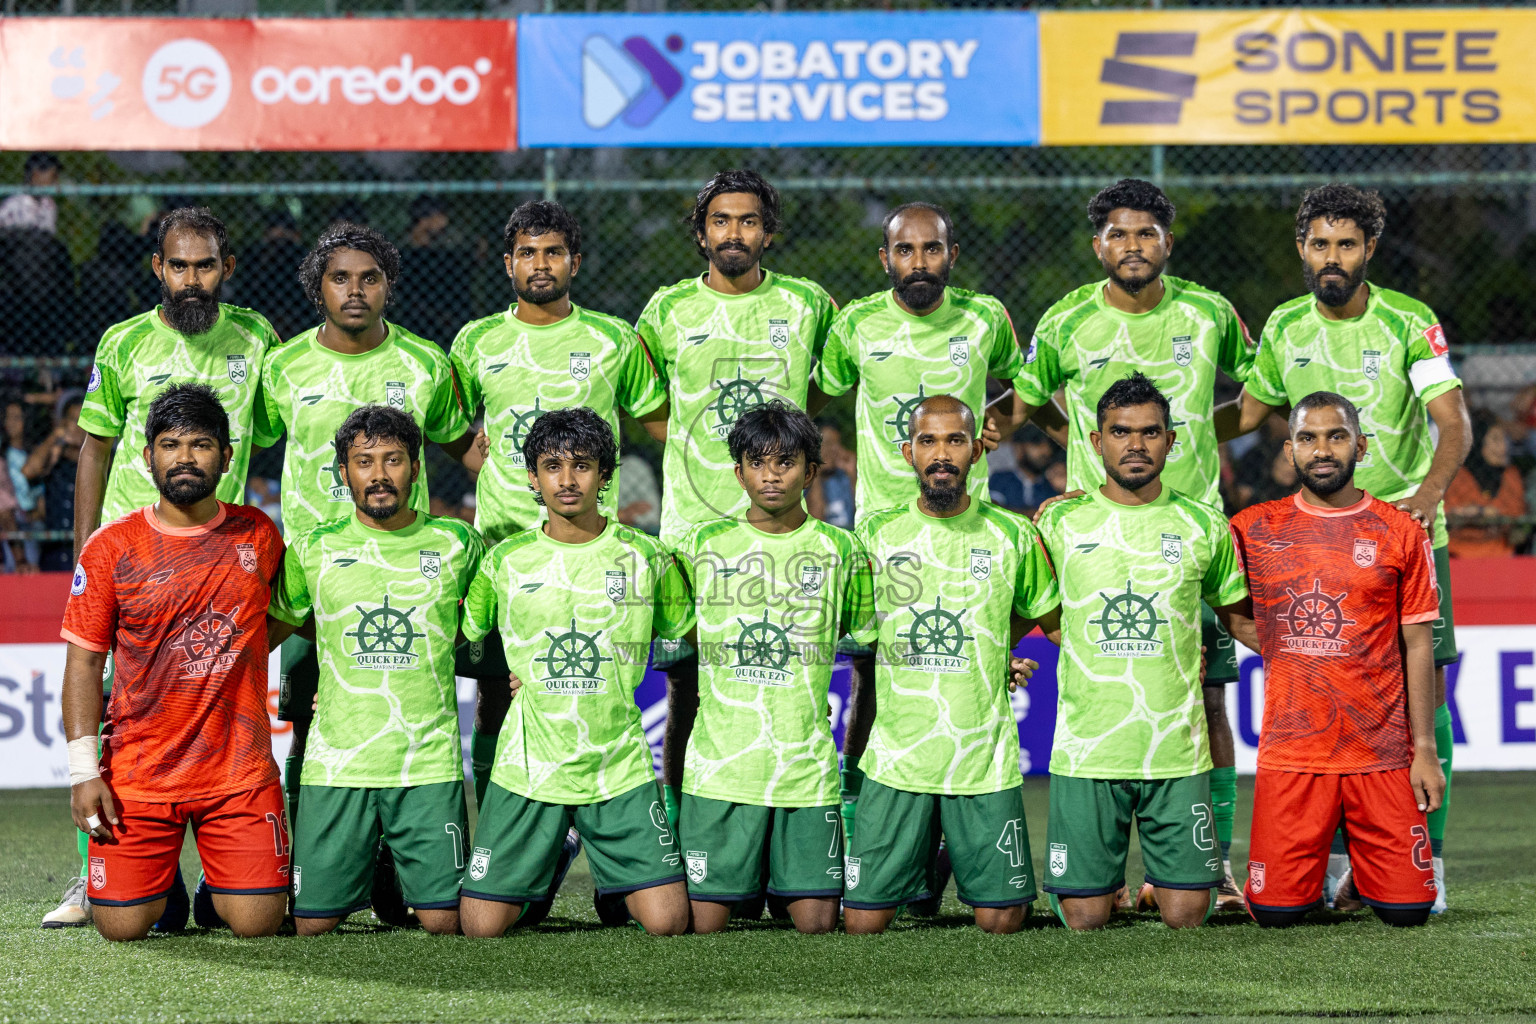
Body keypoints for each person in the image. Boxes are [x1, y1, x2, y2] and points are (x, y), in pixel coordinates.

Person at [1219, 184, 1471, 912]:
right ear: (1302, 249)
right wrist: (1161, 438)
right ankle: (1345, 862)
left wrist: (1424, 500)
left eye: (1347, 245)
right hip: (1310, 549)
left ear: (1370, 250)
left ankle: (1429, 854)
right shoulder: (1286, 325)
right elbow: (1250, 412)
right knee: (1331, 699)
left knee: (1427, 695)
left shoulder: (1407, 321)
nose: (1333, 258)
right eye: (1320, 245)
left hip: (1404, 542)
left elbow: (1452, 423)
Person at [1006, 179, 1256, 908]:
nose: (1133, 247)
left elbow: (1261, 391)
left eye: (1146, 234)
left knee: (1208, 705)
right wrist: (1081, 456)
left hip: (1188, 535)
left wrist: (1201, 436)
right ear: (1099, 246)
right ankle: (1099, 869)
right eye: (1119, 235)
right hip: (1093, 535)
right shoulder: (1066, 319)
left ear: (1167, 243)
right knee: (1097, 692)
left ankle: (1212, 865)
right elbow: (1023, 403)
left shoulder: (1210, 312)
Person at [43, 207, 283, 930]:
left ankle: (234, 866)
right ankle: (98, 872)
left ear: (227, 267)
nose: (191, 279)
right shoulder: (122, 344)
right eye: (178, 266)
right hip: (132, 558)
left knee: (215, 719)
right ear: (158, 268)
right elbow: (94, 446)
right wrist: (88, 550)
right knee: (118, 721)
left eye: (204, 265)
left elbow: (273, 437)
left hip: (217, 560)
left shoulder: (258, 339)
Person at [259, 222, 473, 923]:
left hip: (408, 576)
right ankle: (307, 862)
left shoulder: (424, 363)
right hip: (316, 583)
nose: (355, 291)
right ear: (318, 287)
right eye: (340, 278)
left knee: (407, 723)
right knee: (307, 724)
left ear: (390, 284)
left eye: (370, 277)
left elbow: (466, 445)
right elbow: (244, 451)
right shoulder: (281, 366)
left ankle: (397, 872)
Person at [449, 200, 667, 810]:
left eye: (552, 252)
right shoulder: (476, 340)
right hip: (502, 547)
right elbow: (450, 430)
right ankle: (497, 816)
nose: (539, 264)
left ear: (575, 260)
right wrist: (495, 470)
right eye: (527, 253)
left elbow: (659, 424)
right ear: (507, 263)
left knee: (600, 687)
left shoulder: (614, 339)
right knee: (496, 691)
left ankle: (607, 831)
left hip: (594, 552)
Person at [59, 384, 288, 941]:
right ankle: (164, 886)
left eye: (202, 444)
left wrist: (236, 650)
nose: (185, 457)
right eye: (170, 444)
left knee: (257, 925)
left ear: (227, 457)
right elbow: (84, 665)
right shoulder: (111, 547)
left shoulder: (258, 534)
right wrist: (83, 772)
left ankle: (221, 885)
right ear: (147, 458)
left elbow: (281, 618)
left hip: (237, 771)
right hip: (140, 771)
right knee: (121, 928)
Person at [1027, 373, 1249, 930]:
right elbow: (1040, 615)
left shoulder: (1205, 525)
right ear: (1096, 441)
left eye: (1150, 432)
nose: (1135, 444)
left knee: (1187, 916)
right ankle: (1105, 886)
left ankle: (1161, 884)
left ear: (1171, 441)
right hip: (1087, 751)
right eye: (1120, 432)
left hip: (1174, 752)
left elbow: (1241, 620)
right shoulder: (1057, 520)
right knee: (1083, 918)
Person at [458, 408, 691, 937]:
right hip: (530, 764)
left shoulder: (648, 557)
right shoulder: (504, 561)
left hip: (617, 764)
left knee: (669, 924)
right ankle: (553, 853)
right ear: (532, 477)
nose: (567, 480)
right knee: (480, 928)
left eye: (582, 466)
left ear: (605, 474)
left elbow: (687, 632)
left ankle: (617, 883)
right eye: (552, 466)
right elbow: (462, 634)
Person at [840, 395, 1058, 935]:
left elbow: (1050, 619)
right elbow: (856, 627)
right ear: (907, 451)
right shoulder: (873, 535)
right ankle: (929, 852)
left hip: (981, 757)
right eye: (929, 441)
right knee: (863, 923)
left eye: (955, 440)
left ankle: (939, 854)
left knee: (1002, 921)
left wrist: (990, 654)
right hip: (899, 758)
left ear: (976, 450)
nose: (942, 454)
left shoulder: (1013, 535)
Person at [1228, 392, 1445, 928]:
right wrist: (1283, 644)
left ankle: (1361, 875)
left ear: (1361, 446)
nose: (1322, 449)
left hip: (1381, 753)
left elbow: (1420, 645)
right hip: (1293, 754)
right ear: (1290, 451)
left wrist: (1424, 750)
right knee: (1276, 915)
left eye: (1336, 436)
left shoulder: (1401, 531)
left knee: (1408, 912)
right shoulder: (1252, 528)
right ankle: (1310, 878)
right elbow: (1222, 608)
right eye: (1308, 438)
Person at [269, 406, 483, 936]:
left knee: (448, 922)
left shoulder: (459, 544)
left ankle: (394, 862)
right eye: (364, 461)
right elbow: (278, 625)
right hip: (338, 764)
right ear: (344, 472)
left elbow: (477, 627)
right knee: (311, 928)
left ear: (415, 467)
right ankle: (375, 860)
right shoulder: (314, 547)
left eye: (393, 460)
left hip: (426, 763)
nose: (379, 474)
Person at [666, 402, 873, 934]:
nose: (771, 475)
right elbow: (670, 623)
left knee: (819, 927)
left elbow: (867, 634)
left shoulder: (842, 552)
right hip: (720, 772)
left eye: (785, 462)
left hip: (804, 773)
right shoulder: (700, 547)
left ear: (810, 470)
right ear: (738, 472)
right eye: (757, 462)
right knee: (701, 927)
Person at [637, 169, 837, 547]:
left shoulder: (808, 302)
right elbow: (642, 399)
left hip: (781, 521)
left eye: (748, 221)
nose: (734, 234)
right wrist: (690, 440)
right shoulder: (666, 309)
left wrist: (797, 418)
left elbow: (845, 369)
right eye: (720, 221)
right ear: (702, 234)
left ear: (768, 233)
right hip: (692, 520)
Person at [814, 201, 1040, 520]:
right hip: (884, 517)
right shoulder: (856, 323)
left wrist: (1001, 422)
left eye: (932, 249)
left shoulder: (985, 316)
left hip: (970, 515)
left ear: (953, 254)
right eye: (905, 250)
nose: (919, 263)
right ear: (885, 258)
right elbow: (812, 399)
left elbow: (1030, 388)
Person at [396, 194, 473, 349]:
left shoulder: (447, 243)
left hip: (447, 309)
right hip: (416, 312)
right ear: (424, 219)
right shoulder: (404, 249)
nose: (444, 220)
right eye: (439, 215)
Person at [1444, 418, 1526, 558]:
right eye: (1495, 440)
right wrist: (1471, 512)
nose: (1504, 448)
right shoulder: (1458, 475)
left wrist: (1487, 512)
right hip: (1457, 550)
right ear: (1479, 442)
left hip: (1500, 550)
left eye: (1504, 440)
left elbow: (1516, 513)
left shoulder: (1511, 475)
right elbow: (1447, 511)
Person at [238, 208, 310, 341]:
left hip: (296, 308)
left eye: (285, 240)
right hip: (261, 304)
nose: (280, 246)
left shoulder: (302, 255)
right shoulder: (254, 254)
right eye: (275, 240)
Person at [989, 425, 1059, 515]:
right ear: (1018, 448)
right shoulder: (1001, 478)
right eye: (1037, 443)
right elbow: (991, 509)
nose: (1046, 451)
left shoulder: (1051, 486)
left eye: (1049, 446)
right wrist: (1031, 515)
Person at [805, 419, 855, 529]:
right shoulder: (804, 482)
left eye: (837, 444)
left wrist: (853, 473)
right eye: (828, 444)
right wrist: (816, 472)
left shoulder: (844, 477)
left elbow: (866, 514)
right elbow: (816, 521)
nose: (835, 449)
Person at [0, 152, 60, 233]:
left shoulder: (48, 204)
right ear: (36, 174)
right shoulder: (15, 203)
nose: (55, 182)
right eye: (53, 176)